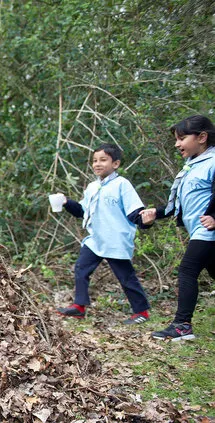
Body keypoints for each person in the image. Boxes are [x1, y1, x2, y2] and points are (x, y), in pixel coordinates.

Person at [56, 143, 152, 324]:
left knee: (125, 276)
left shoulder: (122, 184)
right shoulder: (92, 187)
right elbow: (82, 211)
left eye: (103, 160)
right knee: (81, 268)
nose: (97, 164)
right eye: (94, 160)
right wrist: (66, 202)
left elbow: (135, 211)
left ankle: (141, 312)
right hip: (96, 239)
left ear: (115, 164)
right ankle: (79, 306)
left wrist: (146, 221)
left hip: (115, 239)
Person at [141, 115, 215, 341]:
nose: (177, 144)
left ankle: (182, 325)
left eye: (182, 138)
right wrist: (158, 212)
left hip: (208, 231)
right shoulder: (193, 166)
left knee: (187, 271)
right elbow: (181, 204)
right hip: (200, 231)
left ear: (202, 137)